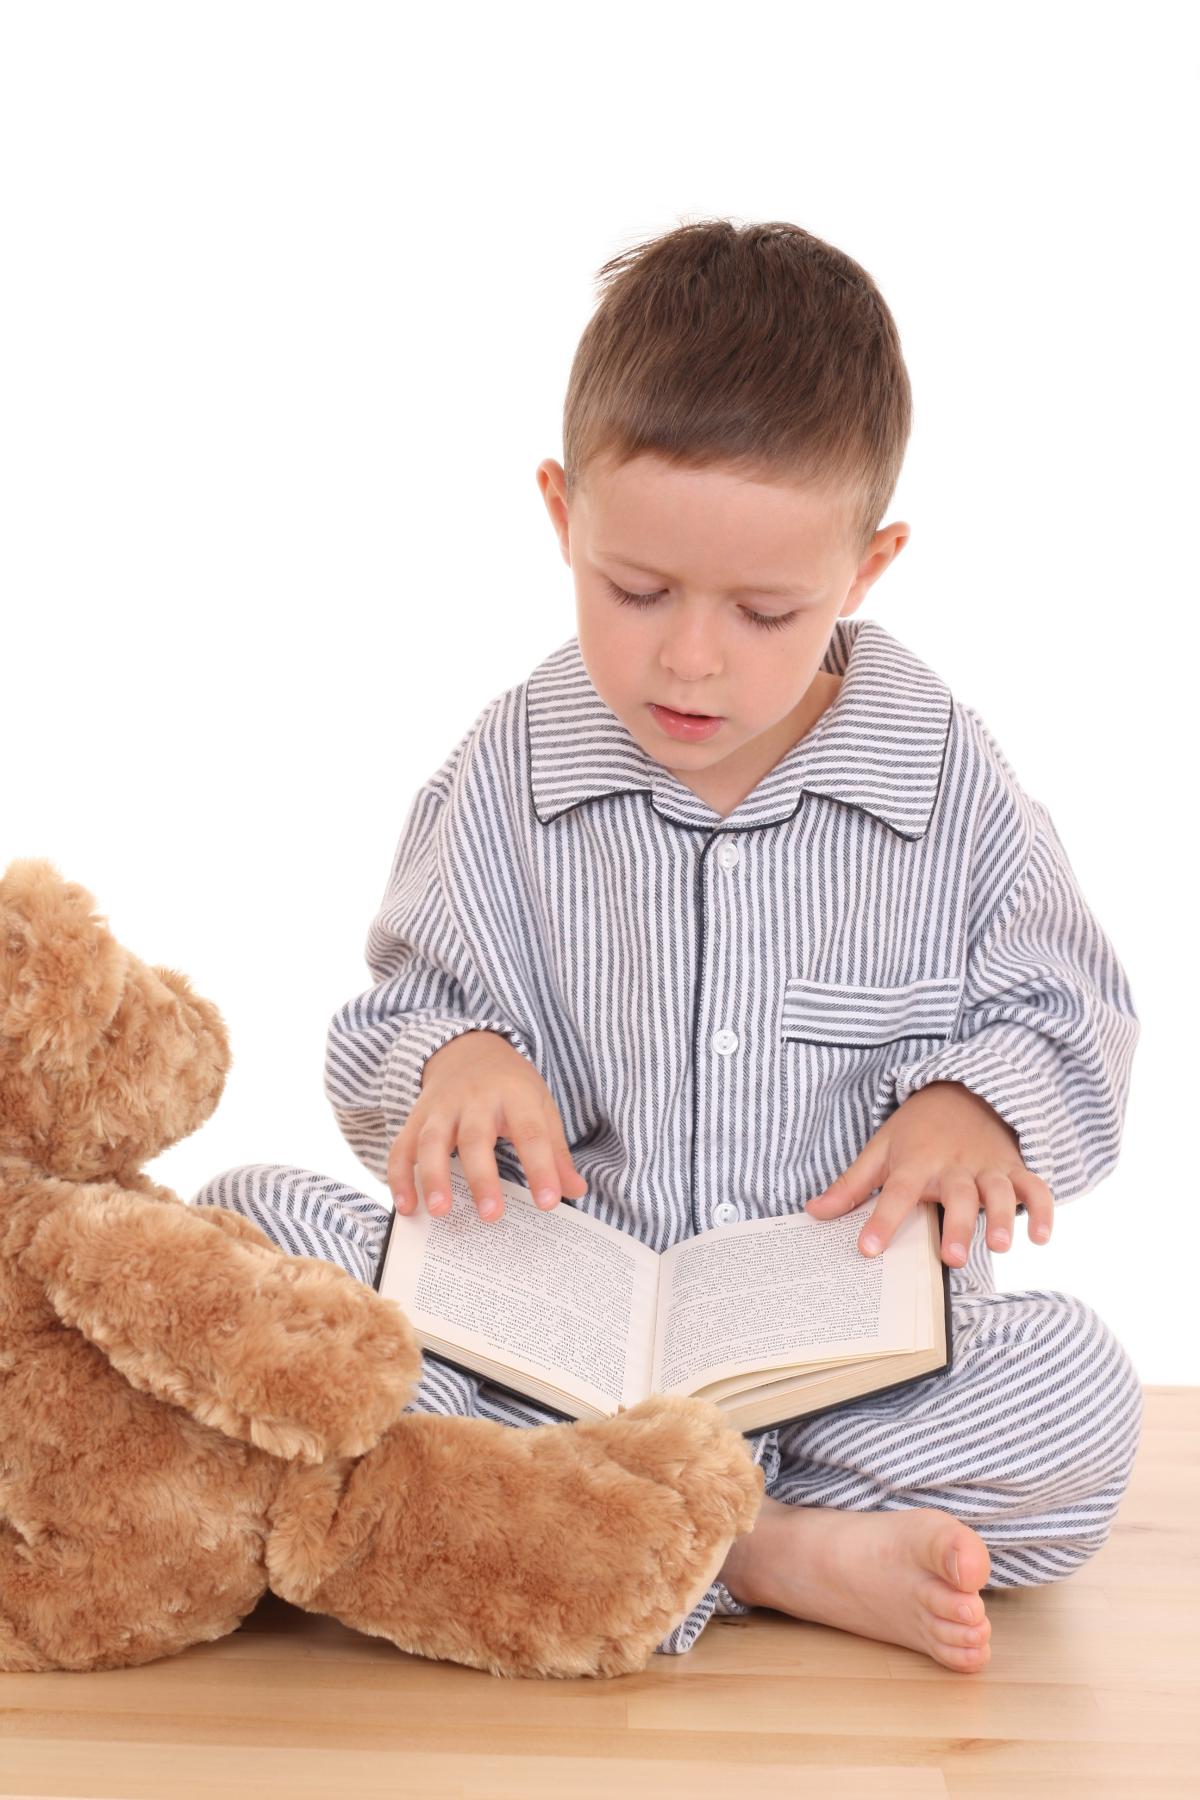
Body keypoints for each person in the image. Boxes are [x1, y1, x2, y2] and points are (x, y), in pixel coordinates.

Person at [193, 218, 1143, 1675]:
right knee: (247, 1228)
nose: (690, 658)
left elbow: (1069, 1006)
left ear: (869, 564)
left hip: (846, 1371)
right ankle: (771, 1553)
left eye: (767, 612)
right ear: (560, 512)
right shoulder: (512, 764)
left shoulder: (944, 774)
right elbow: (400, 1014)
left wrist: (979, 1106)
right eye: (635, 591)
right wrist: (459, 1059)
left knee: (1082, 1403)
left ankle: (587, 1532)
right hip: (550, 1351)